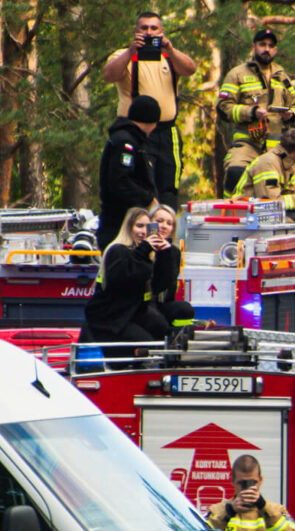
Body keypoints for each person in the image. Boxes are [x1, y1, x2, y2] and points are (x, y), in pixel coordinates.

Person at [101, 11, 195, 209]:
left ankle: (166, 230)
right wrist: (130, 51)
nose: (149, 32)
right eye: (144, 28)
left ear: (161, 31)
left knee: (169, 185)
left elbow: (190, 69)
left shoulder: (169, 57)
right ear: (136, 31)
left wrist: (169, 48)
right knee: (141, 184)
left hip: (167, 132)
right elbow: (109, 75)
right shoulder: (123, 55)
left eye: (154, 28)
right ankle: (140, 230)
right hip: (136, 133)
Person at [216, 28, 295, 196]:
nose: (266, 49)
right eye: (262, 44)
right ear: (254, 46)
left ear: (275, 50)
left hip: (277, 146)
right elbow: (223, 108)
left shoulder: (282, 77)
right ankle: (231, 215)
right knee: (235, 172)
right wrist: (251, 112)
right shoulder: (237, 74)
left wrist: (291, 115)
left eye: (270, 46)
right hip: (247, 142)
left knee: (279, 185)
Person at [81, 207, 167, 357]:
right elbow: (123, 280)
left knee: (162, 330)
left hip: (129, 315)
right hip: (108, 319)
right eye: (138, 226)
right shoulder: (118, 250)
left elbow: (163, 285)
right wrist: (143, 251)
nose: (143, 232)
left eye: (147, 228)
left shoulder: (145, 254)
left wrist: (168, 253)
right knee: (145, 344)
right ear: (129, 228)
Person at [97, 95, 161, 247]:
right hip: (119, 224)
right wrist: (147, 199)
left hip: (131, 222)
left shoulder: (135, 141)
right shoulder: (125, 143)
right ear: (152, 121)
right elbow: (120, 181)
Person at [205, 454, 295, 531]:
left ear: (260, 480)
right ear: (232, 480)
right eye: (242, 483)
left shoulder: (276, 511)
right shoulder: (217, 511)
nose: (247, 488)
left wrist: (265, 508)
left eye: (253, 483)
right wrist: (229, 512)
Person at [238, 127, 295, 227]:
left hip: (260, 213)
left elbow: (291, 198)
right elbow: (270, 201)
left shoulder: (287, 166)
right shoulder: (268, 163)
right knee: (294, 220)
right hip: (246, 215)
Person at [148, 206, 196, 338]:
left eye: (169, 223)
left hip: (162, 303)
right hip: (142, 305)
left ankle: (180, 341)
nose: (164, 226)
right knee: (158, 323)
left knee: (185, 309)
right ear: (149, 222)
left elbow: (166, 283)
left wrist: (166, 254)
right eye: (159, 221)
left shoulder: (173, 252)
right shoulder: (139, 246)